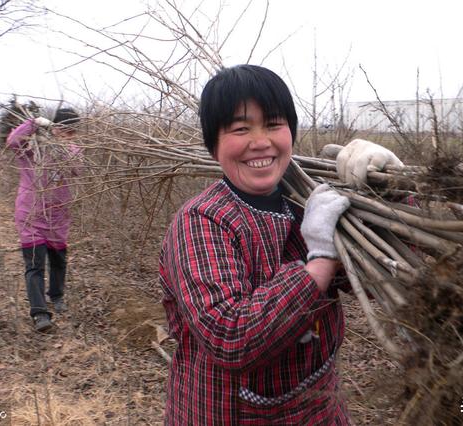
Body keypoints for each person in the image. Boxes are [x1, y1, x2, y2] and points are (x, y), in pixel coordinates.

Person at [158, 65, 402, 424]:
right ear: (214, 146)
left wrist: (390, 193)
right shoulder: (202, 221)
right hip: (227, 413)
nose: (261, 141)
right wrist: (319, 260)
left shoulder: (307, 201)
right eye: (241, 129)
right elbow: (231, 335)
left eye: (273, 125)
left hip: (319, 407)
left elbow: (381, 272)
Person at [6, 108, 82, 332]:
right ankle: (40, 313)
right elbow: (12, 141)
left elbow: (77, 167)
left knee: (59, 261)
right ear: (53, 126)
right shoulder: (31, 149)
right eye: (62, 129)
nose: (66, 134)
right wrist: (33, 123)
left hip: (58, 218)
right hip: (30, 215)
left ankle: (56, 296)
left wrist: (61, 147)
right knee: (34, 265)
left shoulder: (73, 150)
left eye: (71, 132)